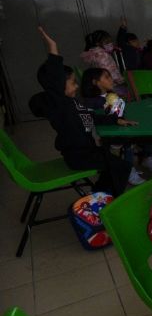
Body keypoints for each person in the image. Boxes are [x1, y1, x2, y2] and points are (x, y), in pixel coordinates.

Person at [31, 27, 138, 196]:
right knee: (121, 166)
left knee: (113, 164)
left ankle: (100, 194)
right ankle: (107, 200)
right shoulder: (60, 105)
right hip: (78, 156)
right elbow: (55, 79)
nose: (77, 85)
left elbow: (90, 116)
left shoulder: (72, 103)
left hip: (87, 151)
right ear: (58, 86)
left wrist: (115, 120)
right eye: (72, 82)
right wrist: (53, 49)